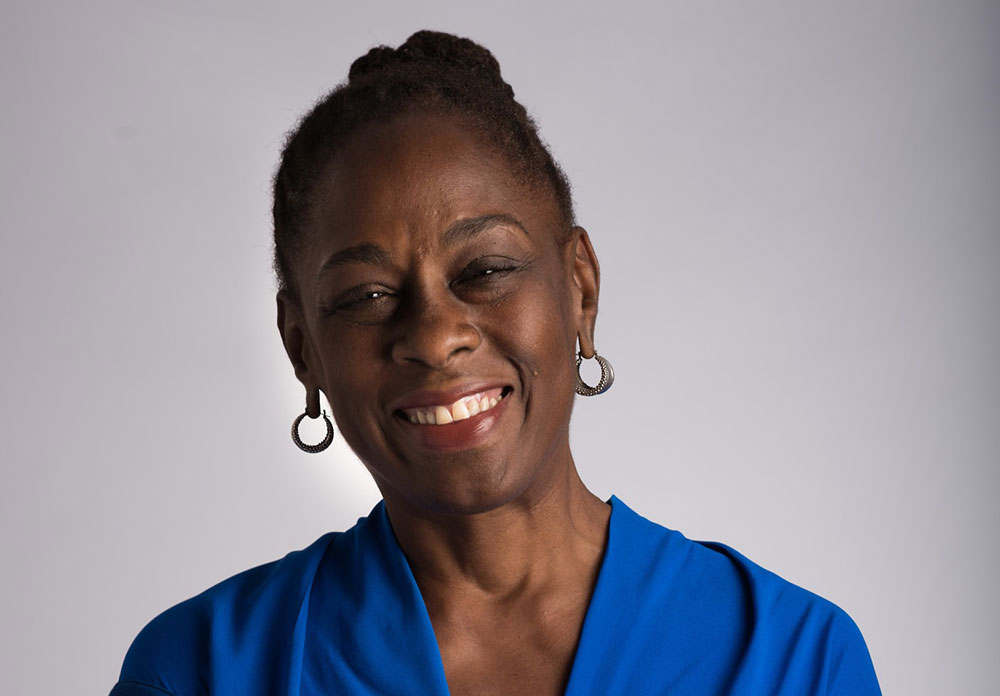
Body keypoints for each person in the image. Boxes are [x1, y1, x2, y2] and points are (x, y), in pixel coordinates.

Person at [111, 30, 881, 695]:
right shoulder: (199, 673)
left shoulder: (794, 661)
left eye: (484, 270)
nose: (435, 334)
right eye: (368, 295)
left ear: (579, 289)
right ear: (302, 349)